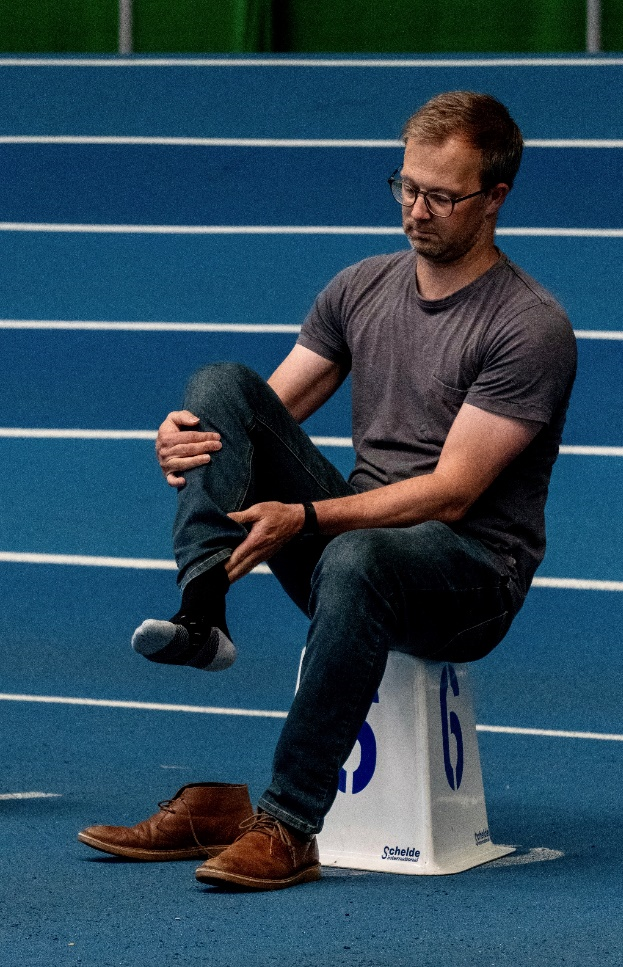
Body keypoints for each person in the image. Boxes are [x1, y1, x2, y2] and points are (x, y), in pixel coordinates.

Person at [78, 91, 577, 892]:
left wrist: (306, 517)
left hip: (471, 576)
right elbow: (260, 416)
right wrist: (190, 437)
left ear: (496, 200)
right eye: (406, 187)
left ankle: (287, 821)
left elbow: (451, 493)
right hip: (360, 544)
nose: (416, 211)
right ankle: (203, 608)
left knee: (357, 560)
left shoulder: (528, 326)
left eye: (441, 197)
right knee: (219, 384)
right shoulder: (361, 287)